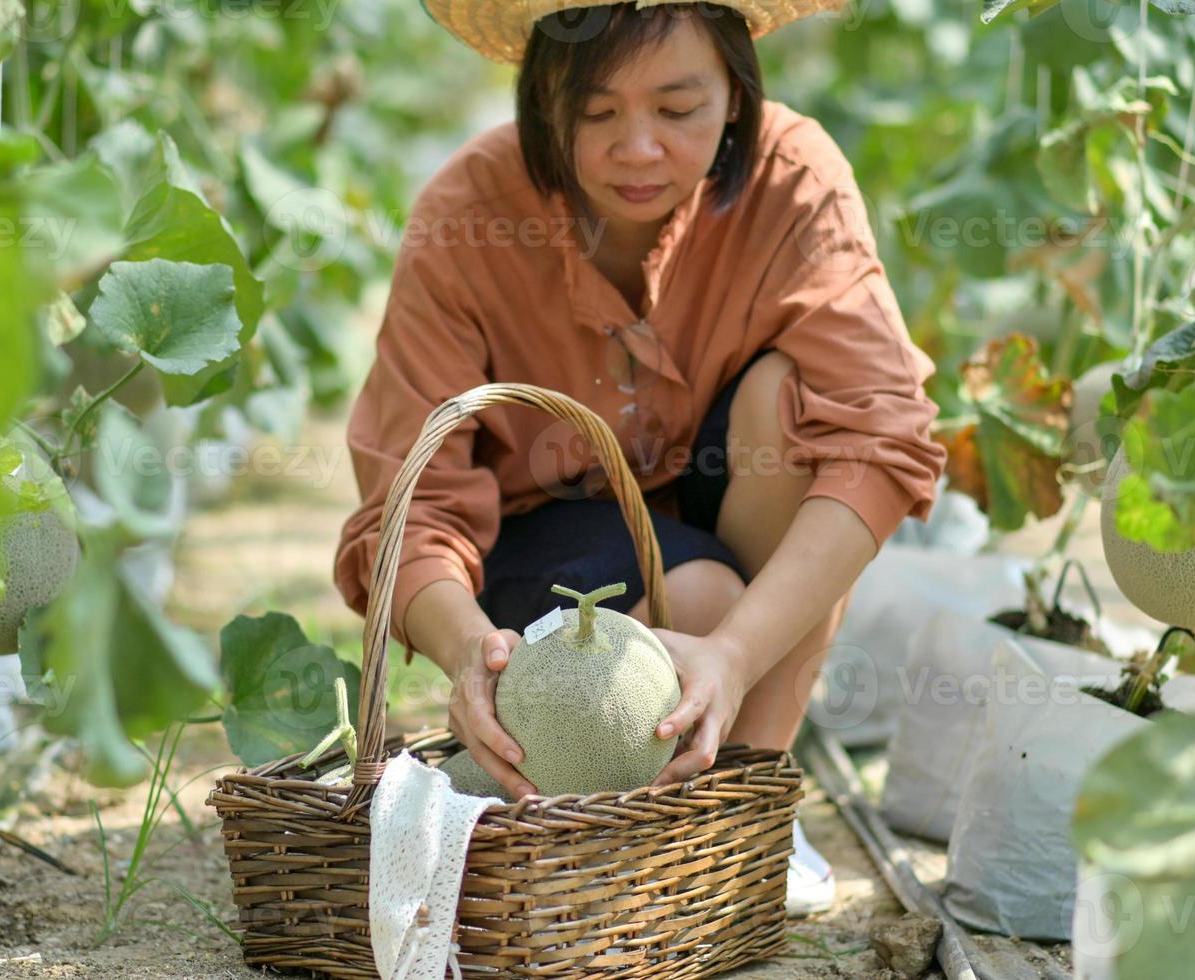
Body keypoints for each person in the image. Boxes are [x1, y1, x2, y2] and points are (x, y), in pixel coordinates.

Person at [332, 0, 946, 916]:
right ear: (545, 99)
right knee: (697, 600)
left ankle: (749, 805)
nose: (637, 149)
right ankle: (654, 801)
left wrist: (735, 657)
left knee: (787, 400)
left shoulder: (794, 176)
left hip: (715, 504)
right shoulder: (468, 210)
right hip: (540, 533)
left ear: (734, 96)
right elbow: (411, 504)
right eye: (596, 113)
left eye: (678, 107)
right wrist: (467, 653)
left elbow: (882, 438)